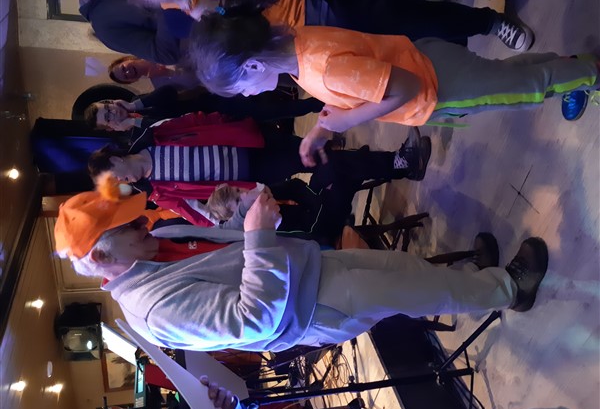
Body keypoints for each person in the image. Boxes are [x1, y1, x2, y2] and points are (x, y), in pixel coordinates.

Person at [54, 188, 549, 352]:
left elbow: (228, 253)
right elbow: (253, 319)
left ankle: (478, 282)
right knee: (421, 292)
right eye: (127, 225)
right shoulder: (153, 311)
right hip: (315, 306)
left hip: (311, 266)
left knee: (407, 270)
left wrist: (240, 214)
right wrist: (257, 236)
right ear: (100, 257)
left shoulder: (154, 245)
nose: (144, 220)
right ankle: (509, 288)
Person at [186, 0, 599, 165]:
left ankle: (589, 74)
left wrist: (347, 121)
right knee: (509, 77)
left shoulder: (323, 70)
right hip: (427, 59)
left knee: (523, 90)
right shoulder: (296, 44)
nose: (248, 96)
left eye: (241, 89)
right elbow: (357, 84)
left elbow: (404, 88)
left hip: (440, 86)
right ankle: (573, 68)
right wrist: (324, 129)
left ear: (252, 66)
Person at [32, 0, 554, 67]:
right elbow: (189, 40)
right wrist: (191, 2)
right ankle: (487, 24)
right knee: (407, 20)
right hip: (302, 8)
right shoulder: (146, 4)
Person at [86, 125, 431, 227]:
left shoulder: (154, 135)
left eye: (114, 178)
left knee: (319, 153)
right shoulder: (158, 192)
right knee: (322, 162)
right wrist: (232, 210)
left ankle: (394, 164)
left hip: (249, 141)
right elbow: (202, 217)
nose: (122, 184)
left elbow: (199, 120)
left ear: (115, 159)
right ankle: (398, 163)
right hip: (250, 179)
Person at [84, 83, 322, 133]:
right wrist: (135, 122)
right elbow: (167, 127)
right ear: (110, 128)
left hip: (215, 104)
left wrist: (134, 104)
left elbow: (168, 92)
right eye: (108, 117)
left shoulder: (138, 102)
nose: (113, 112)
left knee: (270, 110)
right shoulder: (136, 136)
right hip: (214, 131)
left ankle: (317, 104)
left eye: (108, 107)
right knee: (269, 121)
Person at [206, 178, 361, 245]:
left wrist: (317, 197)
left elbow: (294, 185)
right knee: (340, 183)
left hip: (316, 210)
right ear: (235, 217)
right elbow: (310, 231)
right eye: (238, 201)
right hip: (320, 230)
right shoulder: (266, 225)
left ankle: (363, 161)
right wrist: (321, 200)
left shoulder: (260, 196)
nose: (244, 195)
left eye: (238, 190)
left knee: (328, 173)